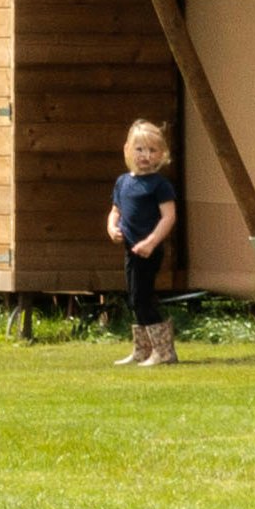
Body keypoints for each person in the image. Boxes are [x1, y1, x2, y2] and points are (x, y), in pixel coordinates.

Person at [107, 122, 182, 369]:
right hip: (130, 249)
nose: (145, 156)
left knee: (143, 298)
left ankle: (164, 351)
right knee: (133, 297)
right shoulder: (123, 182)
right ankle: (142, 350)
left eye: (152, 151)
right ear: (128, 150)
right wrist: (112, 228)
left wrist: (151, 242)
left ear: (162, 155)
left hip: (148, 250)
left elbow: (168, 217)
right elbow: (115, 212)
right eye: (140, 149)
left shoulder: (159, 185)